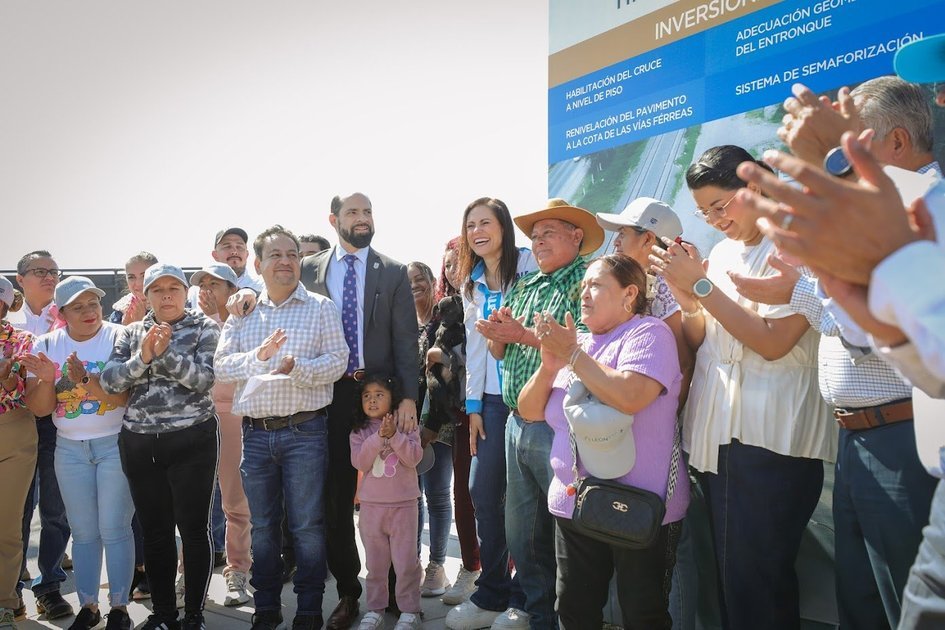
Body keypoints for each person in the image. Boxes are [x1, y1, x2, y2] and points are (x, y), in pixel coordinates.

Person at [729, 76, 940, 628]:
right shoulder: (887, 214)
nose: (838, 165)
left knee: (908, 609)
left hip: (907, 437)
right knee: (863, 605)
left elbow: (867, 333)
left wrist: (801, 289)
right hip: (859, 438)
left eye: (849, 145)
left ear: (896, 142)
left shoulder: (928, 209)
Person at [650, 145, 835, 630]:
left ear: (754, 186)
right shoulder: (722, 253)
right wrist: (690, 299)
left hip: (770, 438)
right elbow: (701, 338)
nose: (715, 220)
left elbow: (773, 343)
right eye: (704, 212)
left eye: (720, 206)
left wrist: (702, 287)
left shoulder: (795, 244)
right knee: (736, 580)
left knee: (757, 583)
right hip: (718, 439)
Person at [518, 255, 687, 628]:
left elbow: (630, 396)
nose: (584, 294)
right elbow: (529, 411)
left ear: (629, 294)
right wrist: (549, 367)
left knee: (643, 614)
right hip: (574, 501)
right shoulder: (576, 342)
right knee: (574, 609)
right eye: (583, 286)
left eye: (595, 285)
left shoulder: (649, 333)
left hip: (639, 505)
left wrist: (572, 355)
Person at [479, 198, 604, 629]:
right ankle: (538, 615)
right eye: (535, 235)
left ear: (576, 236)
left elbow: (587, 343)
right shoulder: (526, 283)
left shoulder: (587, 280)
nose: (538, 241)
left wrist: (521, 335)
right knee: (522, 532)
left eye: (549, 232)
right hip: (515, 421)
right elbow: (500, 351)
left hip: (559, 426)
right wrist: (498, 335)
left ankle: (565, 618)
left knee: (564, 533)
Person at [215, 226, 348, 630]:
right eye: (276, 255)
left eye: (292, 254)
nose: (286, 261)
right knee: (263, 527)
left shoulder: (321, 308)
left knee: (307, 527)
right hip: (255, 435)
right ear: (258, 265)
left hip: (305, 432)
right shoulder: (244, 312)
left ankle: (308, 609)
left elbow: (338, 361)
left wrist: (298, 368)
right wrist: (259, 356)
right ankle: (267, 607)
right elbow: (222, 367)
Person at [299, 193, 418, 630]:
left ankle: (395, 593)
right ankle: (350, 593)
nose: (363, 218)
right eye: (353, 212)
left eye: (367, 211)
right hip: (328, 395)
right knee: (336, 498)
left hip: (380, 395)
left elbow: (406, 340)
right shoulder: (308, 270)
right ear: (333, 220)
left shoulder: (394, 271)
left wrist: (408, 398)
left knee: (392, 493)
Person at [100, 263, 220, 630]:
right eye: (158, 289)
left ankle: (194, 615)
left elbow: (204, 379)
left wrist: (165, 354)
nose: (166, 295)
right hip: (139, 442)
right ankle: (164, 614)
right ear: (146, 295)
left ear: (185, 292)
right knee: (155, 532)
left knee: (194, 530)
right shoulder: (131, 332)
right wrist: (144, 356)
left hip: (192, 438)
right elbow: (109, 381)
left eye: (174, 288)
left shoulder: (205, 327)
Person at [21, 277, 134, 630]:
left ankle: (120, 608)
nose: (89, 311)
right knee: (83, 532)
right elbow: (41, 409)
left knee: (114, 527)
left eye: (93, 303)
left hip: (114, 443)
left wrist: (85, 380)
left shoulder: (119, 337)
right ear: (62, 313)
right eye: (78, 306)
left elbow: (124, 399)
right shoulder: (46, 344)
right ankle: (89, 606)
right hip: (69, 449)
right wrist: (45, 379)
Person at [446, 198, 537, 630]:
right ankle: (492, 590)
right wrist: (474, 407)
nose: (478, 231)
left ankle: (525, 596)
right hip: (492, 404)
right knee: (481, 492)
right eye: (471, 225)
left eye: (486, 222)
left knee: (525, 501)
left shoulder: (530, 265)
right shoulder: (472, 283)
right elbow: (476, 348)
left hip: (534, 398)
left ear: (503, 227)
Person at [13, 250, 73, 621]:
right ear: (20, 279)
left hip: (55, 421)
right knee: (15, 510)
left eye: (54, 271)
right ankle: (11, 590)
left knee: (55, 510)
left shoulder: (67, 316)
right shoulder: (7, 318)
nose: (49, 277)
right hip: (15, 421)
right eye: (40, 271)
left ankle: (49, 586)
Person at [190, 263, 253, 607]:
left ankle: (237, 570)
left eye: (215, 284)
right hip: (194, 419)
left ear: (232, 290)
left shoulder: (247, 322)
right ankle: (187, 573)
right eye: (202, 285)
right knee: (191, 505)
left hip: (233, 416)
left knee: (235, 503)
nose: (207, 291)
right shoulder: (189, 324)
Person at [350, 374, 424, 630]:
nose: (372, 400)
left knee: (406, 563)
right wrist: (379, 437)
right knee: (375, 564)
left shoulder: (406, 424)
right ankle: (375, 609)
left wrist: (394, 435)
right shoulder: (359, 431)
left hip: (404, 507)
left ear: (393, 398)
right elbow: (360, 462)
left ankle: (410, 611)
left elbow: (413, 457)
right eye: (367, 396)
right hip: (372, 509)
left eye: (379, 395)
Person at [430, 237, 480, 606]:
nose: (452, 270)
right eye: (447, 264)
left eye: (458, 262)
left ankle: (502, 570)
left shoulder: (488, 296)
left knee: (493, 496)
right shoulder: (445, 308)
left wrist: (447, 358)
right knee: (461, 493)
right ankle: (471, 566)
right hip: (459, 413)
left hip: (494, 405)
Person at [407, 261, 456, 599]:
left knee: (437, 494)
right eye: (408, 281)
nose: (414, 285)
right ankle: (412, 563)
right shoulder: (402, 324)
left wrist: (431, 425)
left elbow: (448, 372)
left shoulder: (444, 319)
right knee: (411, 496)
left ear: (431, 280)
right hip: (407, 422)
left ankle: (437, 566)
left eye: (419, 278)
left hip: (439, 422)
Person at [0, 278, 39, 629]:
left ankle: (5, 603)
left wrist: (9, 380)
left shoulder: (23, 340)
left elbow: (25, 391)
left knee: (7, 525)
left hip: (13, 430)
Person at [186, 227, 264, 309]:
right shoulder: (195, 292)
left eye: (239, 247)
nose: (234, 252)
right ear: (215, 255)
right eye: (227, 246)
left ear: (247, 254)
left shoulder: (262, 286)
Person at [109, 252, 158, 325]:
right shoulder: (118, 314)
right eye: (131, 277)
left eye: (144, 276)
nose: (138, 283)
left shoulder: (171, 307)